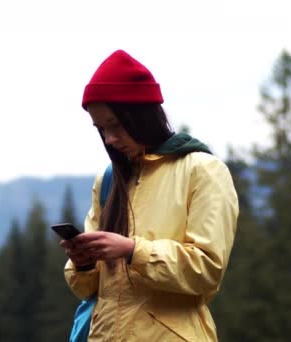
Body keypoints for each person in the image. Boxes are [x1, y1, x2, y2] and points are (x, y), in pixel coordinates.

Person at [60, 49, 239, 341]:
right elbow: (87, 289)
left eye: (115, 125)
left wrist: (133, 250)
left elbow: (207, 270)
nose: (109, 139)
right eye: (101, 129)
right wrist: (83, 262)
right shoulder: (109, 180)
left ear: (141, 115)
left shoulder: (203, 171)